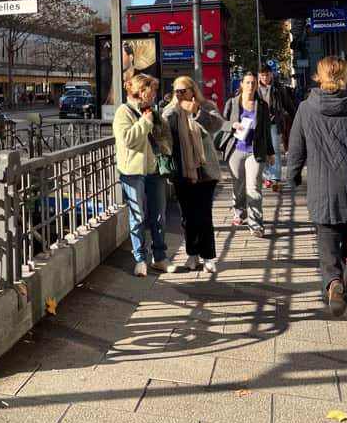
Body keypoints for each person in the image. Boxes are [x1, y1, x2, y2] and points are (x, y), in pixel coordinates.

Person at [287, 56, 347, 317]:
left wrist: (292, 178)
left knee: (328, 242)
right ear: (345, 76)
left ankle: (334, 283)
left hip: (322, 189)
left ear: (320, 76)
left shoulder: (306, 108)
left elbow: (295, 150)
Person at [163, 76, 229, 273]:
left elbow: (217, 125)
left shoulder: (206, 106)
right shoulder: (170, 112)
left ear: (192, 91)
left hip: (205, 170)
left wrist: (197, 112)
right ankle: (192, 254)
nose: (180, 95)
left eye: (183, 91)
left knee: (204, 215)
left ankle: (208, 256)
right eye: (177, 91)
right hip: (182, 170)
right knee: (187, 216)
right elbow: (164, 135)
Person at [113, 73, 175, 277]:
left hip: (154, 169)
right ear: (141, 91)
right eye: (153, 90)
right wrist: (145, 123)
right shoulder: (123, 111)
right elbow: (127, 139)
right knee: (137, 215)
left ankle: (160, 258)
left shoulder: (151, 111)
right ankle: (140, 259)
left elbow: (163, 135)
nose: (155, 93)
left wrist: (163, 146)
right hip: (133, 171)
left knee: (159, 215)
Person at [224, 72, 274, 236]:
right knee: (238, 185)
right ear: (241, 84)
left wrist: (270, 152)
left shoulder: (262, 106)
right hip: (236, 150)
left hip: (255, 151)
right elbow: (221, 123)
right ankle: (239, 211)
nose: (251, 86)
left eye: (253, 83)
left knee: (254, 187)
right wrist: (233, 125)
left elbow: (266, 131)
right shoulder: (232, 103)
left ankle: (256, 225)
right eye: (248, 83)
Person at [257, 63, 298, 191]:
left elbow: (287, 103)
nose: (265, 78)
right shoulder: (254, 88)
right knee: (261, 150)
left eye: (267, 75)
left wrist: (296, 116)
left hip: (274, 122)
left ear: (271, 75)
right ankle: (266, 177)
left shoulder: (278, 88)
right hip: (259, 123)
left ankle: (274, 177)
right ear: (259, 76)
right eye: (262, 75)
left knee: (274, 150)